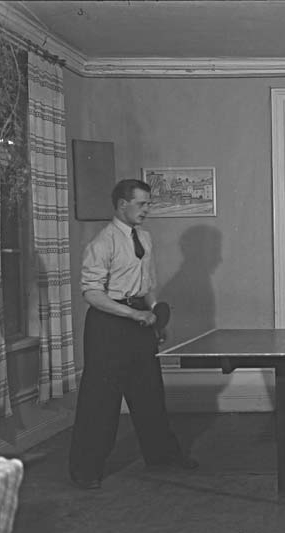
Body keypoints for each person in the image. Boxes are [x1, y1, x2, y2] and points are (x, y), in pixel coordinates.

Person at [68, 179, 198, 490]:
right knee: (101, 400)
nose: (146, 209)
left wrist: (153, 316)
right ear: (122, 204)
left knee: (149, 391)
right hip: (107, 326)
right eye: (141, 204)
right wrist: (133, 314)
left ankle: (162, 456)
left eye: (148, 204)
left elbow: (147, 286)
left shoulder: (145, 238)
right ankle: (86, 470)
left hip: (139, 321)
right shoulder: (102, 243)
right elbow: (91, 294)